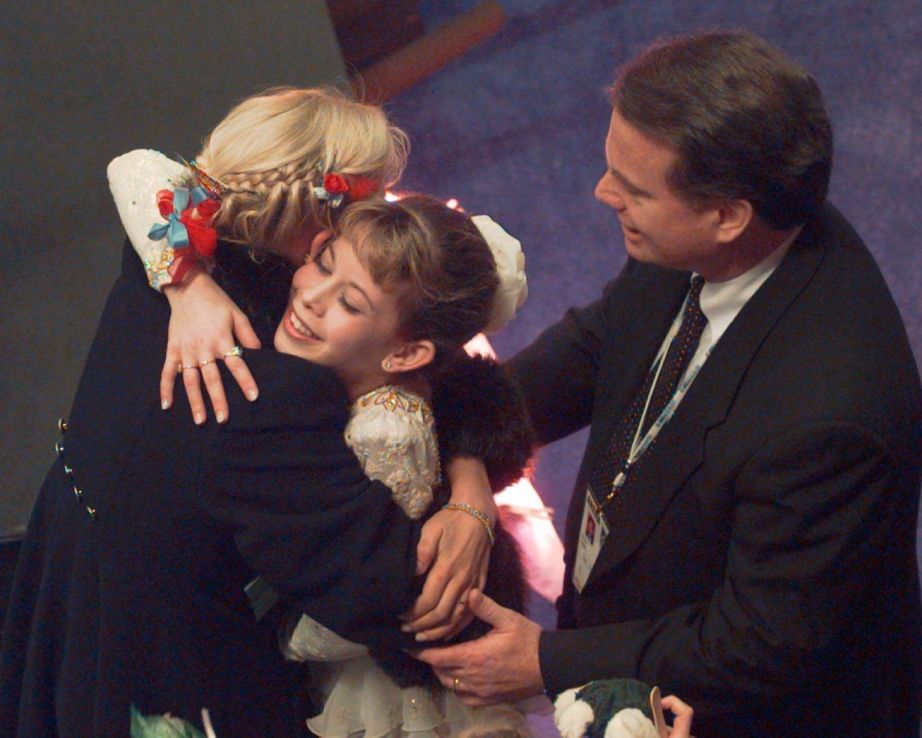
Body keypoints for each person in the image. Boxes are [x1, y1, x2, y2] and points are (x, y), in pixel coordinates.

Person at [414, 30, 922, 737]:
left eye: (632, 187)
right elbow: (600, 344)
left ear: (724, 217)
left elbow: (760, 643)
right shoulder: (715, 230)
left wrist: (549, 661)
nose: (601, 192)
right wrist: (469, 457)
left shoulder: (830, 416)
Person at [0, 88, 520, 737]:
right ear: (327, 214)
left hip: (61, 592)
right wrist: (482, 544)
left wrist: (471, 478)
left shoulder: (163, 251)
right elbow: (385, 593)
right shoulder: (273, 385)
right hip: (161, 668)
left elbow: (143, 171)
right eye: (374, 199)